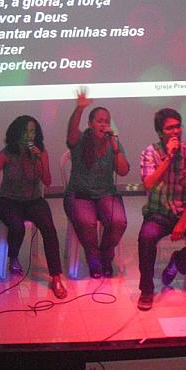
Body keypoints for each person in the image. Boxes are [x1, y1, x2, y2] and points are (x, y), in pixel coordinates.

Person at [0, 115, 67, 299]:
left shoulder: (40, 152)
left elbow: (47, 182)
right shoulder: (7, 153)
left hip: (34, 200)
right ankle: (13, 256)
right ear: (16, 133)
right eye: (25, 131)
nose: (29, 135)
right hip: (9, 200)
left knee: (49, 228)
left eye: (32, 131)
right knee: (17, 226)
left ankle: (56, 276)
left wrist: (39, 159)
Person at [137, 108, 186, 311]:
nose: (175, 131)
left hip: (184, 210)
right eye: (169, 128)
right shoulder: (150, 152)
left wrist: (183, 221)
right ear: (159, 133)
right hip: (158, 212)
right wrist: (169, 157)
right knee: (146, 238)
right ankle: (146, 290)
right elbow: (149, 184)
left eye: (178, 126)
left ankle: (177, 262)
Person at [63, 88, 129, 278]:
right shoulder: (81, 139)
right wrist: (79, 108)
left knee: (119, 221)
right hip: (80, 194)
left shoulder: (113, 142)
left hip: (106, 194)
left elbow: (123, 171)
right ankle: (94, 261)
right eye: (99, 121)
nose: (104, 124)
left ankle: (105, 257)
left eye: (106, 121)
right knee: (87, 223)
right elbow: (71, 133)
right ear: (90, 124)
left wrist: (116, 149)